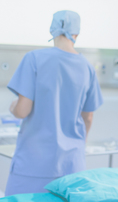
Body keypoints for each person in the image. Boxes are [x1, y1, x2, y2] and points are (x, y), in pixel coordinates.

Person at [5, 10, 103, 196]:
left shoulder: (34, 59)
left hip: (34, 163)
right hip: (71, 165)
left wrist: (13, 107)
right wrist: (80, 144)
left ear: (52, 30)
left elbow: (23, 110)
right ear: (76, 34)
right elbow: (88, 117)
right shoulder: (87, 67)